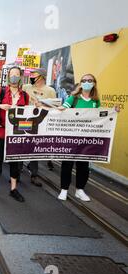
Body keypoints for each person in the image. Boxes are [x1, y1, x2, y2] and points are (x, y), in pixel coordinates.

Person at [0, 66, 30, 203]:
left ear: (21, 77)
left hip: (17, 134)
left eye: (17, 74)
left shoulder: (25, 95)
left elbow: (27, 115)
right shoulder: (1, 92)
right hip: (0, 132)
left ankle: (13, 189)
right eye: (12, 74)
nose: (14, 76)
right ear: (8, 77)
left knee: (15, 162)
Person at [57, 74, 104, 202]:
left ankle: (79, 190)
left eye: (90, 80)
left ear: (94, 83)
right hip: (72, 138)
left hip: (86, 140)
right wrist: (48, 109)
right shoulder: (74, 98)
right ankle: (64, 190)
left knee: (83, 165)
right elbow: (63, 108)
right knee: (67, 164)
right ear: (81, 83)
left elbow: (102, 117)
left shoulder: (95, 101)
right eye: (84, 80)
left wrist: (114, 111)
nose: (87, 82)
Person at [22, 68, 57, 186]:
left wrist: (42, 105)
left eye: (33, 74)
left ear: (41, 76)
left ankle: (34, 175)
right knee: (21, 144)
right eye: (31, 74)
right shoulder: (26, 87)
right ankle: (17, 170)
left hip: (40, 123)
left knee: (35, 148)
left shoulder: (50, 91)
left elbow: (54, 108)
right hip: (25, 121)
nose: (31, 76)